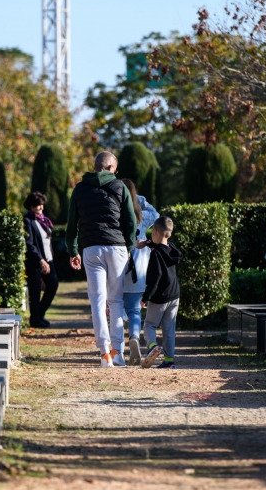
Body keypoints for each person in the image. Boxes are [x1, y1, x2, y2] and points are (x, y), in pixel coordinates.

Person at [66, 151, 137, 367]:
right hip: (117, 247)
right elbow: (130, 220)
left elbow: (72, 224)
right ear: (111, 168)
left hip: (91, 248)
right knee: (116, 301)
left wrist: (73, 251)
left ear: (96, 166)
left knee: (97, 300)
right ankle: (118, 352)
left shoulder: (80, 188)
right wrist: (130, 246)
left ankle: (104, 353)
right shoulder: (120, 186)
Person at [121, 179, 159, 366]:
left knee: (117, 309)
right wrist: (139, 200)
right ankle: (134, 336)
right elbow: (156, 214)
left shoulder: (114, 215)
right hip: (138, 271)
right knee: (135, 310)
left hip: (117, 268)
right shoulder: (141, 217)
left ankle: (116, 348)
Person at [138, 216, 182, 369]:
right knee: (169, 329)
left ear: (155, 231)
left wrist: (145, 298)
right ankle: (169, 361)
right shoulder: (172, 250)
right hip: (174, 295)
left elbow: (154, 279)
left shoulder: (155, 254)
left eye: (152, 233)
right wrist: (147, 243)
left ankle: (152, 347)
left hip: (159, 297)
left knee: (149, 325)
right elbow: (161, 245)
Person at [23, 191, 59, 328]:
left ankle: (39, 314)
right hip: (35, 261)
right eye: (38, 205)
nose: (41, 207)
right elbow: (29, 243)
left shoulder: (42, 219)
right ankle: (35, 320)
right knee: (35, 291)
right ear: (31, 206)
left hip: (48, 259)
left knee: (53, 285)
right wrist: (40, 260)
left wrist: (47, 259)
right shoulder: (28, 220)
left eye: (42, 204)